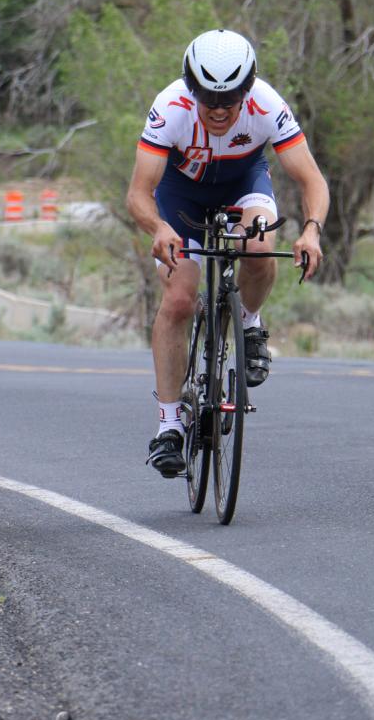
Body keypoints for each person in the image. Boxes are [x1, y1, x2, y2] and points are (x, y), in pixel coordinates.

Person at [126, 29, 329, 478]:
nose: (218, 111)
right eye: (207, 99)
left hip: (243, 184)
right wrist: (158, 227)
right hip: (181, 196)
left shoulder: (267, 105)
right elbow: (138, 193)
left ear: (248, 89)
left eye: (230, 99)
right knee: (179, 298)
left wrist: (312, 231)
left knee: (259, 245)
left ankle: (250, 325)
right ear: (190, 87)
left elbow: (312, 181)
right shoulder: (171, 107)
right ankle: (169, 426)